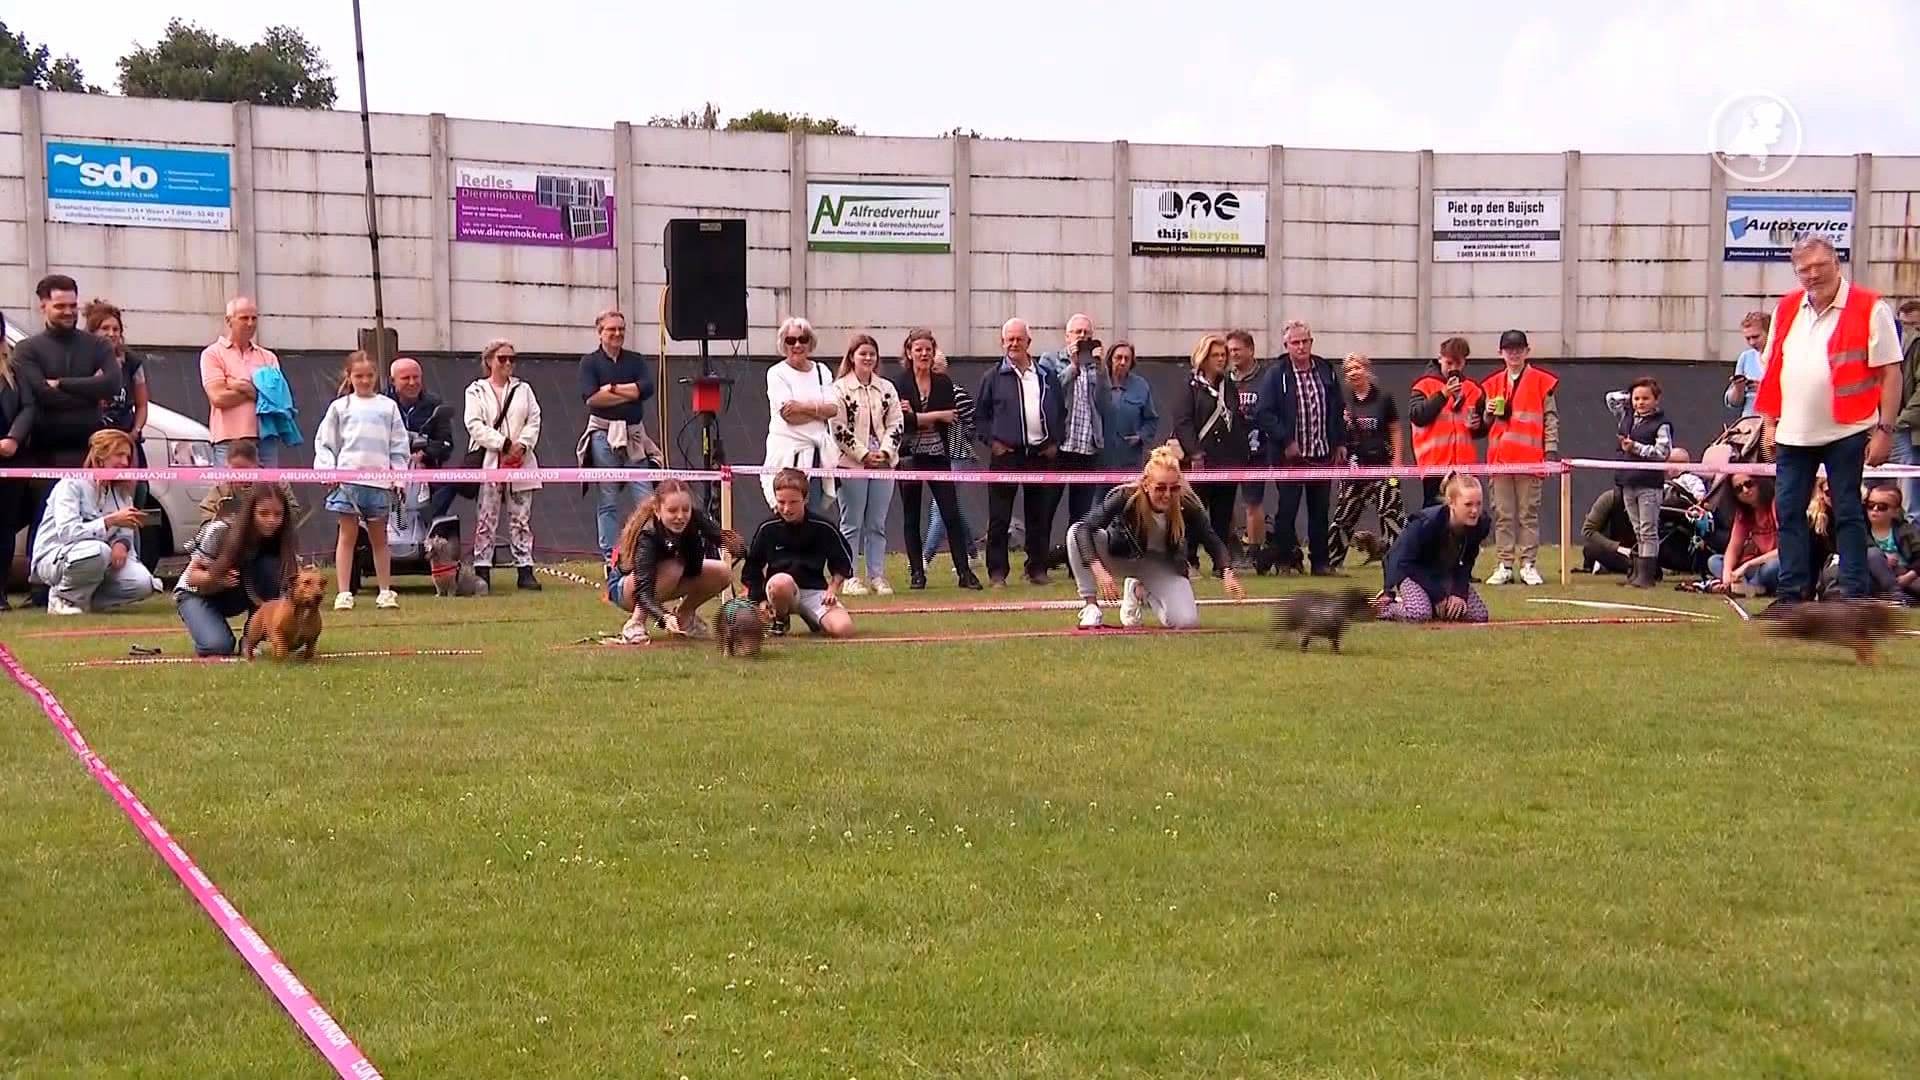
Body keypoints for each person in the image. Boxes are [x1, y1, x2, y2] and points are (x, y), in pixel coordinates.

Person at [1754, 235, 1904, 607]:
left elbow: (1891, 373)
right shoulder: (1787, 308)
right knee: (1788, 512)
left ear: (1837, 264)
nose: (1813, 275)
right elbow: (1774, 368)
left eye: (1820, 266)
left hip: (1848, 429)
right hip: (1793, 433)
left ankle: (1853, 596)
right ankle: (1791, 597)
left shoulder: (1870, 307)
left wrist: (1885, 431)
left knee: (1848, 512)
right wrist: (1770, 424)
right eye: (1804, 269)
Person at [13, 274, 122, 603]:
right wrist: (86, 388)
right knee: (46, 519)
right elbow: (40, 395)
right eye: (60, 306)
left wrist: (62, 384)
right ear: (43, 305)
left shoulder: (97, 345)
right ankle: (39, 588)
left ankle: (90, 584)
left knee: (91, 518)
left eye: (73, 305)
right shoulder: (28, 349)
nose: (68, 311)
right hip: (45, 452)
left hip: (91, 451)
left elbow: (112, 384)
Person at [1067, 445, 1243, 630]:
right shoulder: (1126, 496)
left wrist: (1227, 572)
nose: (1167, 495)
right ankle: (1090, 606)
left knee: (1186, 622)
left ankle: (1140, 591)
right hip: (1122, 555)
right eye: (1160, 488)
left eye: (1173, 488)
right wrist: (1100, 572)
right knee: (1075, 532)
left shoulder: (1186, 503)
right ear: (1146, 484)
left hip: (1161, 565)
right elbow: (1084, 529)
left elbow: (1211, 539)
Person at [314, 351, 409, 611]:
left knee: (380, 539)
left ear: (376, 377)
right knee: (347, 536)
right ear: (350, 377)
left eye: (369, 376)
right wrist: (327, 470)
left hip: (379, 484)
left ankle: (385, 590)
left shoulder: (388, 407)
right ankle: (344, 592)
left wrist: (398, 478)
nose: (365, 381)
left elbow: (399, 446)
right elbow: (325, 442)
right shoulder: (339, 407)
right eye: (359, 376)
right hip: (348, 483)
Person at [975, 317, 1066, 587]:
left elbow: (1061, 412)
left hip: (1040, 456)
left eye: (1019, 339)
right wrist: (993, 442)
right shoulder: (992, 377)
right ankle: (997, 573)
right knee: (999, 518)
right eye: (1009, 339)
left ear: (1029, 342)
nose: (1014, 343)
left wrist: (1054, 442)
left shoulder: (1046, 376)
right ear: (1002, 343)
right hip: (1006, 455)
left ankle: (1036, 569)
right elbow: (980, 417)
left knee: (1039, 516)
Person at [29, 429, 159, 616]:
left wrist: (121, 544)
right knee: (99, 551)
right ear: (100, 457)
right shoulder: (71, 485)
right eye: (119, 455)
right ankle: (61, 598)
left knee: (143, 583)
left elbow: (126, 532)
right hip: (55, 557)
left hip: (98, 559)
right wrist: (110, 521)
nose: (124, 462)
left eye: (127, 457)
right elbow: (68, 533)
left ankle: (82, 602)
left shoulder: (121, 492)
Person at [894, 329, 983, 591]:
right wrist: (933, 416)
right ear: (909, 352)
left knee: (950, 513)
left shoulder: (943, 383)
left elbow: (951, 416)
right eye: (918, 349)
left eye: (928, 349)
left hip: (938, 455)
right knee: (911, 517)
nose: (923, 354)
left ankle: (965, 573)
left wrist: (919, 416)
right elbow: (902, 421)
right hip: (908, 457)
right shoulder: (899, 383)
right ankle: (917, 574)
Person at [1256, 319, 1347, 575]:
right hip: (1290, 457)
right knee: (1287, 510)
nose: (1300, 347)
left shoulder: (1326, 370)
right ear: (1286, 345)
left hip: (1321, 453)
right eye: (1295, 343)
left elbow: (1337, 409)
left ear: (1311, 342)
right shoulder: (1277, 374)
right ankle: (1286, 561)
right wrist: (1286, 440)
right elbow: (1263, 413)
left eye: (1304, 341)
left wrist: (1339, 442)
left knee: (1319, 511)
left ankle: (1321, 563)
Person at [174, 484, 298, 657]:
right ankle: (207, 634)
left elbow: (287, 583)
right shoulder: (220, 529)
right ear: (250, 512)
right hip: (198, 593)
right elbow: (191, 577)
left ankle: (251, 638)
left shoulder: (281, 539)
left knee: (271, 568)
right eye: (263, 514)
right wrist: (215, 578)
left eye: (278, 514)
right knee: (217, 646)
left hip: (240, 592)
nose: (271, 520)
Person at [609, 478, 736, 644]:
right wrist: (662, 617)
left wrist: (751, 557)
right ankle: (635, 624)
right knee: (673, 568)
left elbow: (723, 539)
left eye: (685, 510)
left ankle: (684, 616)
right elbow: (644, 590)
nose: (680, 516)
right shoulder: (648, 534)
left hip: (670, 578)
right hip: (628, 589)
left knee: (723, 572)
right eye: (672, 510)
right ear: (657, 510)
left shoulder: (694, 519)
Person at [577, 309, 657, 564]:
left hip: (634, 435)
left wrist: (611, 389)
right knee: (608, 498)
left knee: (645, 498)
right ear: (600, 332)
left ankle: (647, 553)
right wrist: (628, 391)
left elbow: (646, 389)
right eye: (611, 329)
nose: (617, 333)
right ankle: (611, 557)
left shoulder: (636, 360)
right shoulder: (589, 362)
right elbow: (591, 397)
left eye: (621, 329)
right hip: (603, 435)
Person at [1480, 329, 1558, 587]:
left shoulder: (1541, 381)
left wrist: (1551, 451)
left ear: (1527, 351)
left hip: (1530, 459)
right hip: (1500, 459)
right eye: (1509, 349)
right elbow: (1484, 424)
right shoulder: (1492, 384)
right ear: (1501, 353)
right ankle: (1504, 564)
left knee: (1527, 514)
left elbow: (1550, 418)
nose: (1513, 353)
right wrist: (1488, 414)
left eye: (1518, 349)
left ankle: (1528, 564)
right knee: (1502, 514)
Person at [829, 333, 904, 595]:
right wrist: (862, 454)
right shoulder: (839, 389)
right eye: (863, 353)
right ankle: (849, 576)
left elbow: (896, 423)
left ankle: (877, 575)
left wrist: (884, 453)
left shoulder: (887, 388)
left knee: (877, 523)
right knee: (851, 523)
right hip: (850, 465)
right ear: (852, 357)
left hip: (883, 465)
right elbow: (837, 427)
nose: (868, 358)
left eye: (872, 354)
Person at [465, 339, 543, 591]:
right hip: (491, 460)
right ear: (489, 361)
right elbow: (474, 424)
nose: (508, 363)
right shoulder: (475, 390)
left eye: (512, 358)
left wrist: (522, 444)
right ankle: (482, 568)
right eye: (502, 358)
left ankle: (525, 568)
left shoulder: (525, 389)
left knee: (521, 517)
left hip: (521, 461)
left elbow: (534, 419)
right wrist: (503, 444)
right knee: (486, 517)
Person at [741, 467, 856, 638]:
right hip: (779, 591)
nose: (786, 509)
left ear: (805, 499)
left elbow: (842, 562)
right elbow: (752, 568)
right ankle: (779, 620)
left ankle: (814, 619)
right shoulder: (767, 529)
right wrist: (760, 600)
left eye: (793, 502)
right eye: (781, 502)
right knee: (781, 582)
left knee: (843, 629)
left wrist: (832, 589)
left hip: (814, 591)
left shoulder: (823, 527)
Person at [1169, 334, 1246, 568]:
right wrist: (1195, 453)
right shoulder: (1189, 386)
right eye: (1216, 355)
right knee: (1194, 512)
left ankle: (1221, 563)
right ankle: (1190, 559)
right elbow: (1183, 421)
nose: (1221, 360)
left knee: (1222, 516)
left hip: (1226, 460)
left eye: (1224, 355)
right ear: (1204, 357)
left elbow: (1235, 419)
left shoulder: (1229, 386)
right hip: (1199, 460)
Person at [1376, 472, 1492, 624]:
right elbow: (1404, 562)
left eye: (1478, 503)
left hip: (1443, 573)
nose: (1475, 511)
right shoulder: (1427, 523)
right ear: (1451, 502)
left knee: (1478, 615)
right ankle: (1385, 606)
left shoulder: (1481, 524)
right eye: (1468, 504)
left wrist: (1459, 593)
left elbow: (1467, 561)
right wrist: (1439, 596)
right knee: (1419, 614)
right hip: (1411, 572)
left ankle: (1431, 605)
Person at [1327, 353, 1407, 570]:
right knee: (1343, 517)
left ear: (1367, 370)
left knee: (1390, 513)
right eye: (1349, 370)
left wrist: (1397, 461)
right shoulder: (1344, 402)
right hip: (1355, 469)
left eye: (1358, 368)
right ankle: (1332, 565)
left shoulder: (1383, 398)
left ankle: (1397, 561)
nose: (1354, 373)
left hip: (1383, 467)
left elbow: (1395, 430)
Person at [762, 316, 839, 514]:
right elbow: (790, 416)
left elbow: (833, 409)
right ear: (783, 344)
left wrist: (801, 407)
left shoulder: (822, 371)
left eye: (802, 339)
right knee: (786, 513)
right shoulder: (776, 373)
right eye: (791, 340)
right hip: (787, 455)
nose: (797, 345)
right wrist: (818, 411)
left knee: (812, 516)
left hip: (816, 456)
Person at [199, 296, 285, 465]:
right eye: (244, 318)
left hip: (265, 438)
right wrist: (257, 391)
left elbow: (277, 400)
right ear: (228, 321)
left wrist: (237, 385)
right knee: (228, 490)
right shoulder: (212, 354)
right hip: (228, 440)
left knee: (267, 491)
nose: (250, 323)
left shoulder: (269, 357)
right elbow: (218, 398)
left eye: (254, 318)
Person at [1609, 377, 1675, 589]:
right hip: (1627, 481)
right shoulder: (1626, 416)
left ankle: (1647, 575)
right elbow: (1610, 399)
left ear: (1657, 400)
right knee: (1637, 529)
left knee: (1648, 529)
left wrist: (1636, 448)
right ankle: (1638, 573)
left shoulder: (1662, 424)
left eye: (1645, 398)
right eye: (1636, 398)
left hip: (1649, 483)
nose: (1640, 402)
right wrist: (1628, 398)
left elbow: (1662, 453)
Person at [1407, 336, 1487, 509]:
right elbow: (1418, 416)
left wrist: (1477, 425)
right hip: (1434, 466)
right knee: (1435, 515)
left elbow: (1480, 430)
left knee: (1464, 515)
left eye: (1457, 364)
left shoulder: (1473, 390)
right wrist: (1443, 394)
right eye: (1448, 363)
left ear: (1464, 362)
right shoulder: (1424, 385)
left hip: (1464, 467)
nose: (1452, 369)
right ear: (1440, 358)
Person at [921, 348, 980, 573]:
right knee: (951, 506)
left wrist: (961, 443)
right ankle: (972, 552)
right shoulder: (922, 392)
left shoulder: (957, 394)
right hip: (934, 454)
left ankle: (925, 558)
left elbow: (972, 423)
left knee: (939, 508)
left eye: (935, 368)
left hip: (956, 455)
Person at [1049, 314, 1110, 527]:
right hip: (1060, 445)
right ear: (1067, 337)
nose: (1081, 337)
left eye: (1086, 333)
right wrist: (1073, 365)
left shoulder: (1096, 367)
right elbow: (1050, 393)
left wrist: (1102, 370)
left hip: (1087, 448)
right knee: (1046, 507)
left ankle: (1075, 557)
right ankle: (1038, 559)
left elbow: (1106, 404)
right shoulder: (1051, 359)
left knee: (1081, 514)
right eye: (1077, 332)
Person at [388, 356, 459, 521]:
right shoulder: (381, 403)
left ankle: (428, 529)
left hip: (425, 473)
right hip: (387, 471)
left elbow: (446, 445)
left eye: (416, 377)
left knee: (453, 482)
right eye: (406, 378)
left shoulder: (434, 404)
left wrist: (424, 453)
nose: (412, 383)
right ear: (393, 381)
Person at [1225, 330, 1268, 566]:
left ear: (1250, 350)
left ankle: (1255, 549)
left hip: (1256, 449)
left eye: (1237, 350)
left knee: (1253, 501)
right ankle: (1231, 545)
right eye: (1229, 351)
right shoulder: (1225, 379)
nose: (1233, 355)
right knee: (1225, 501)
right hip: (1229, 450)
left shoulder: (1264, 378)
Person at [0, 315, 33, 612]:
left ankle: (0, 593)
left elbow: (28, 407)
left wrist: (13, 438)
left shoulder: (16, 371)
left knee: (4, 529)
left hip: (10, 460)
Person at [197, 438, 303, 528]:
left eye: (246, 471)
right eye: (236, 471)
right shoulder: (221, 487)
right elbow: (206, 520)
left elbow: (294, 513)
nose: (241, 476)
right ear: (226, 467)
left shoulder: (277, 483)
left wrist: (269, 517)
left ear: (257, 465)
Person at [84, 300, 148, 446]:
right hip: (94, 440)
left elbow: (142, 405)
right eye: (105, 328)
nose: (111, 334)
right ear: (92, 332)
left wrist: (135, 432)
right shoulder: (81, 361)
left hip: (125, 437)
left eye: (116, 329)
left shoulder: (132, 362)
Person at [1710, 474, 1780, 597]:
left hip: (1774, 562)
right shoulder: (1743, 513)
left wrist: (1747, 565)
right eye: (1738, 489)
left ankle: (1751, 586)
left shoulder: (1775, 504)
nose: (1745, 491)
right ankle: (1744, 586)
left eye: (1749, 484)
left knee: (1772, 567)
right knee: (1714, 561)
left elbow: (1786, 549)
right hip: (1755, 566)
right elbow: (1733, 548)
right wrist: (1727, 575)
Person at [1101, 341, 1158, 471]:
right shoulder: (1099, 383)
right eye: (1118, 357)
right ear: (1110, 360)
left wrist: (1140, 436)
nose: (1122, 362)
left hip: (1129, 460)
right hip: (1100, 460)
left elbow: (1152, 419)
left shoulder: (1141, 386)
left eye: (1127, 359)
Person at [1894, 299, 1920, 523]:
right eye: (1906, 324)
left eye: (1915, 325)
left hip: (1905, 429)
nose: (1911, 330)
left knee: (1910, 501)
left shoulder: (1914, 344)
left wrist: (1900, 421)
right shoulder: (1897, 343)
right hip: (1888, 426)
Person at [1726, 310, 1770, 419]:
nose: (1752, 342)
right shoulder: (1746, 357)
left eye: (1756, 337)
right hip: (1750, 422)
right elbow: (1734, 403)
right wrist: (1738, 388)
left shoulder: (1785, 357)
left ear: (1769, 333)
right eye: (1747, 338)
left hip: (1774, 423)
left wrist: (1765, 389)